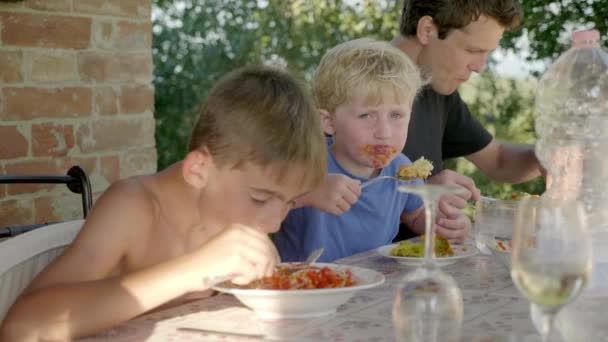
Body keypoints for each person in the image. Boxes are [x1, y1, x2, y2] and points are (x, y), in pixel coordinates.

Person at [0, 66, 327, 340]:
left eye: (289, 203)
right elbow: (21, 327)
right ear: (200, 169)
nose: (274, 224)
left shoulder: (232, 213)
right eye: (261, 198)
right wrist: (194, 269)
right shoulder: (134, 207)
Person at [273, 38, 471, 262]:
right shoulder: (305, 161)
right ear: (328, 122)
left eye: (396, 115)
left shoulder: (402, 169)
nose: (384, 132)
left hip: (373, 287)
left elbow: (414, 215)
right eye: (366, 115)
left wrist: (442, 224)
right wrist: (309, 193)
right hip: (305, 286)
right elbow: (259, 208)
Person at [391, 0, 544, 241]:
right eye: (473, 50)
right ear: (427, 29)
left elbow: (499, 159)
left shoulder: (435, 87)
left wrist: (548, 154)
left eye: (487, 53)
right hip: (354, 272)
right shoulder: (353, 85)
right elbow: (326, 196)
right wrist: (420, 194)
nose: (480, 67)